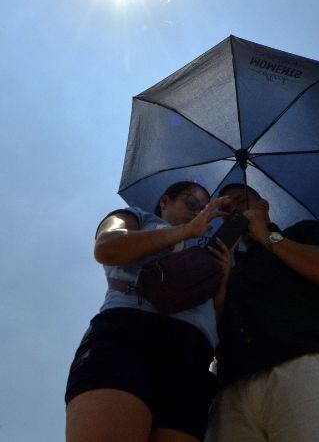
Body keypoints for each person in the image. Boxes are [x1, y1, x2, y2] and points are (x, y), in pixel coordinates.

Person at [66, 181, 233, 442]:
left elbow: (216, 321)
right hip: (130, 334)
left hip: (192, 355)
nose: (198, 212)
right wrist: (185, 231)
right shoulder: (136, 217)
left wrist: (221, 280)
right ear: (165, 201)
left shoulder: (206, 255)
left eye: (203, 209)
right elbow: (107, 247)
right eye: (192, 203)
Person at [205, 184, 319, 442]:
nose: (233, 211)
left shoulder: (304, 232)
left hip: (302, 367)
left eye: (239, 202)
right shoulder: (229, 268)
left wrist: (267, 237)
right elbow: (214, 330)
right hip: (231, 389)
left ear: (263, 207)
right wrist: (220, 282)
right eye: (226, 209)